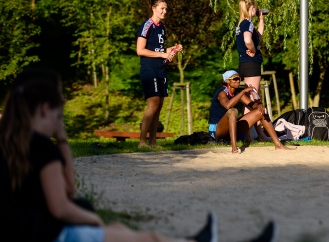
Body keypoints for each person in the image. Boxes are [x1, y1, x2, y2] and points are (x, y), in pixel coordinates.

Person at [0, 68, 219, 242]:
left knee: (118, 228)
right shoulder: (41, 147)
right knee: (148, 238)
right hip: (53, 235)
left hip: (27, 233)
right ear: (45, 109)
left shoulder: (12, 142)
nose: (61, 118)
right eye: (60, 111)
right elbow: (63, 202)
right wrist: (93, 218)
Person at [208, 70, 294, 154]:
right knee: (233, 111)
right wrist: (243, 92)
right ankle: (234, 148)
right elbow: (227, 106)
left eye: (239, 79)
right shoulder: (222, 93)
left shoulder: (237, 93)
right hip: (217, 130)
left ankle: (278, 145)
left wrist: (259, 105)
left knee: (261, 111)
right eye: (235, 79)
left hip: (230, 128)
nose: (238, 81)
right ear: (227, 81)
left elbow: (252, 105)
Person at [136, 0, 183, 148]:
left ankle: (153, 142)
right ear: (153, 8)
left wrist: (172, 50)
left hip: (160, 69)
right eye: (162, 8)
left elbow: (160, 50)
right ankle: (142, 142)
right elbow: (140, 50)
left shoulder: (162, 27)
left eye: (166, 9)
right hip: (149, 70)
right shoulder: (147, 25)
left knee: (159, 104)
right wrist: (163, 54)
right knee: (153, 103)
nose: (164, 11)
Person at [235, 0, 269, 141]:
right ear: (251, 8)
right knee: (253, 100)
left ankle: (255, 134)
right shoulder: (247, 23)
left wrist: (261, 20)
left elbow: (258, 37)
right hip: (251, 64)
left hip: (245, 64)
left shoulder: (243, 23)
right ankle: (249, 135)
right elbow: (248, 40)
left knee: (252, 99)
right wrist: (253, 50)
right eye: (255, 8)